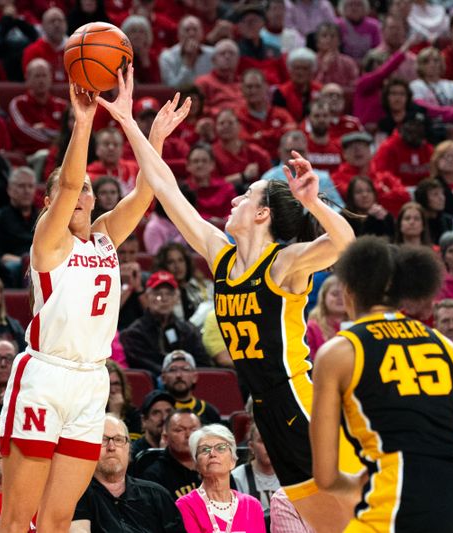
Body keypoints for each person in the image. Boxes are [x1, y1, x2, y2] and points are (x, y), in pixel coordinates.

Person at [108, 73, 357, 529]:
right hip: (263, 406)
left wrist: (315, 203)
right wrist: (135, 126)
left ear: (262, 213)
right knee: (325, 524)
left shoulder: (284, 265)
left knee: (353, 520)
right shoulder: (220, 255)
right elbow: (165, 189)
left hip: (299, 400)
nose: (236, 199)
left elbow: (345, 243)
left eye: (246, 196)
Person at [0, 70, 188, 533]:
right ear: (49, 200)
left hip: (92, 382)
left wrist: (152, 136)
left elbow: (146, 192)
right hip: (45, 374)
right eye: (71, 187)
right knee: (18, 518)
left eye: (86, 187)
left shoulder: (103, 239)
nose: (80, 192)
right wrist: (83, 123)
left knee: (60, 519)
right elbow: (66, 184)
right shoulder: (48, 240)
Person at [310, 236, 453, 532]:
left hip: (397, 501)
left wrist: (355, 483)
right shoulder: (445, 345)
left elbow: (325, 476)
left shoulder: (339, 352)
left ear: (349, 289)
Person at [70, 414, 186, 533]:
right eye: (102, 439)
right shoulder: (77, 495)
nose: (111, 447)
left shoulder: (157, 495)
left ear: (129, 449)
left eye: (118, 439)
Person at [176, 424, 266, 532]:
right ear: (196, 465)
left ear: (233, 461)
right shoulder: (185, 505)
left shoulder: (252, 506)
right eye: (204, 449)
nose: (212, 453)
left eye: (221, 448)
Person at [121, 271, 211, 375]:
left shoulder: (188, 331)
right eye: (157, 294)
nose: (164, 299)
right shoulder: (134, 334)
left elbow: (204, 363)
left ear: (177, 298)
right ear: (147, 296)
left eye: (169, 294)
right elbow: (144, 366)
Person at [0, 167, 39, 284]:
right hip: (12, 271)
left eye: (30, 186)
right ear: (9, 190)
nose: (26, 191)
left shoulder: (44, 218)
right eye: (21, 186)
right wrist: (25, 262)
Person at [7, 59, 68, 155]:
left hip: (60, 152)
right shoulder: (18, 104)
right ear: (28, 79)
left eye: (44, 76)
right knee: (44, 154)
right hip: (31, 154)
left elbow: (69, 131)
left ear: (50, 78)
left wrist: (45, 128)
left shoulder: (62, 105)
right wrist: (55, 140)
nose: (41, 80)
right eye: (37, 76)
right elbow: (22, 133)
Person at [139, 409, 202, 500]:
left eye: (194, 430)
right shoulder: (153, 477)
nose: (188, 435)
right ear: (166, 437)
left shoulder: (214, 466)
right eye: (180, 430)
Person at [236, 68, 297, 157]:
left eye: (257, 86)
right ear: (242, 89)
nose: (253, 91)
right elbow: (244, 141)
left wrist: (262, 135)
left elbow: (292, 132)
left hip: (281, 161)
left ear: (266, 87)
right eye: (249, 87)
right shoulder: (238, 115)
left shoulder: (280, 113)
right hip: (254, 161)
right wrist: (278, 134)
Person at [153, 242, 213, 325]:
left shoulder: (205, 285)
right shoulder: (160, 292)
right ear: (163, 266)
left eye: (181, 260)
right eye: (171, 262)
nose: (177, 266)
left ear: (187, 263)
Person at [230, 422, 280, 520]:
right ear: (251, 446)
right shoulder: (236, 477)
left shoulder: (293, 476)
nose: (268, 446)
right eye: (262, 440)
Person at [370, 112, 434, 187]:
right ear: (401, 126)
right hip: (398, 192)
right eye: (411, 125)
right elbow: (382, 175)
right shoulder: (389, 147)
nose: (414, 129)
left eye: (419, 126)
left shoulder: (428, 149)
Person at [410, 47, 453, 126]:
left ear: (441, 64)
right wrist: (449, 111)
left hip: (452, 125)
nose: (432, 64)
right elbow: (421, 107)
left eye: (436, 60)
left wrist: (443, 117)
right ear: (420, 66)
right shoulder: (415, 85)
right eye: (426, 61)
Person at [161, 350, 221, 425]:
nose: (179, 375)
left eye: (185, 369)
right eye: (173, 370)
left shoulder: (209, 412)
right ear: (163, 378)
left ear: (195, 377)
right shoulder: (158, 410)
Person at [159, 15, 214, 88]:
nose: (191, 34)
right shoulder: (167, 57)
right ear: (178, 35)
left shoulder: (213, 54)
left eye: (195, 29)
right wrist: (187, 64)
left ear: (202, 34)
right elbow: (171, 89)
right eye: (187, 30)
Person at [194, 39, 244, 117]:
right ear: (213, 60)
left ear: (238, 60)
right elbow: (196, 108)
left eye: (232, 53)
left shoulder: (244, 83)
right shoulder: (203, 82)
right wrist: (221, 113)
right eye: (222, 53)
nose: (227, 56)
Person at [272, 47, 321, 122]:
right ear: (290, 70)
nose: (300, 72)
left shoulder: (320, 90)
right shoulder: (281, 93)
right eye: (297, 68)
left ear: (312, 71)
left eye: (305, 68)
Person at [306, 274, 347, 359]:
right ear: (323, 297)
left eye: (345, 295)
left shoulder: (358, 324)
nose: (340, 298)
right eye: (335, 294)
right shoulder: (312, 327)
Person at [21, 7, 67, 83]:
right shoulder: (32, 51)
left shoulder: (75, 50)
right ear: (43, 26)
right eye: (52, 21)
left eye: (60, 20)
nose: (57, 24)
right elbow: (30, 82)